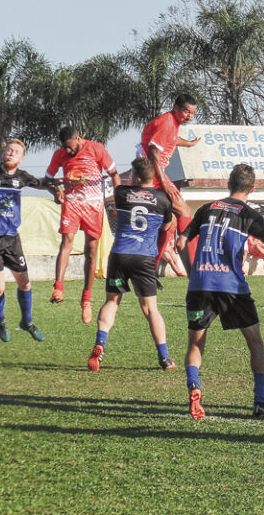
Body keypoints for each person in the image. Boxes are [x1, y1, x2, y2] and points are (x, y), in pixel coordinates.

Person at [176, 164, 264, 420]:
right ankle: (260, 403)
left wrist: (192, 271)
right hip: (232, 287)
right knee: (255, 343)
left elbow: (181, 241)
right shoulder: (248, 214)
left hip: (200, 285)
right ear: (252, 188)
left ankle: (194, 386)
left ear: (228, 184)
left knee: (196, 344)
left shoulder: (206, 209)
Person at [87, 158, 177, 372]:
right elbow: (167, 225)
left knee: (112, 301)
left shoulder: (121, 194)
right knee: (150, 309)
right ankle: (164, 358)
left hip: (120, 254)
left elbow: (113, 197)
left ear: (136, 177)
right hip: (144, 257)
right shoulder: (163, 198)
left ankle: (100, 344)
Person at [0, 139, 50, 343]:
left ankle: (27, 322)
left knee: (25, 283)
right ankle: (1, 320)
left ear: (21, 159)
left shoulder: (21, 177)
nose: (11, 153)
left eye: (16, 151)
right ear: (3, 153)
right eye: (8, 150)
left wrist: (58, 188)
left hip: (12, 240)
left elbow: (41, 184)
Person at [46, 127, 121, 324]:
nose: (68, 152)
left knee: (91, 250)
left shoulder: (96, 149)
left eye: (70, 147)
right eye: (64, 148)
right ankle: (58, 287)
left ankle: (86, 299)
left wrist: (119, 200)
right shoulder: (59, 154)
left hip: (93, 205)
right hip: (72, 203)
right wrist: (57, 190)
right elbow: (48, 180)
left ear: (78, 139)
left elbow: (114, 173)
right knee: (67, 242)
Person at [141, 93, 200, 267]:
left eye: (192, 114)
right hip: (154, 174)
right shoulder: (166, 123)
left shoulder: (172, 124)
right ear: (175, 108)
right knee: (184, 211)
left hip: (153, 173)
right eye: (186, 112)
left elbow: (172, 140)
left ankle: (151, 267)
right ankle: (194, 265)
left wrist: (189, 143)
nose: (189, 116)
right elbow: (153, 153)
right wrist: (165, 183)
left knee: (170, 224)